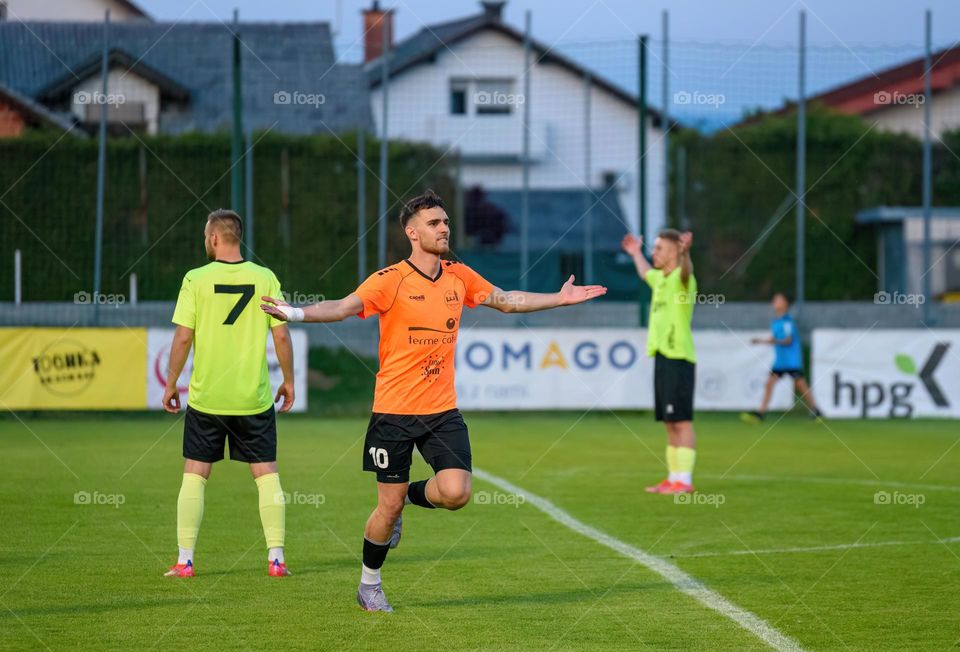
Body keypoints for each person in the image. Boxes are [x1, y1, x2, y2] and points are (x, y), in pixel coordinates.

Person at [261, 189, 606, 612]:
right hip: (393, 412)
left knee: (457, 493)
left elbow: (506, 301)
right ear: (412, 232)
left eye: (445, 222)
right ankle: (370, 584)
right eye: (434, 223)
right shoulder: (390, 280)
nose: (444, 229)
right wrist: (294, 313)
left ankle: (408, 496)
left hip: (442, 411)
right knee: (383, 511)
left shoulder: (459, 274)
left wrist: (559, 298)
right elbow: (343, 307)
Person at [162, 209, 296, 578]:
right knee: (267, 475)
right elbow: (281, 333)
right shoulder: (265, 277)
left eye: (206, 236)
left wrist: (172, 383)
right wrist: (289, 381)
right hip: (252, 398)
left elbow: (183, 336)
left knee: (195, 474)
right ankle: (276, 559)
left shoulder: (196, 279)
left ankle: (185, 561)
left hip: (208, 398)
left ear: (215, 238)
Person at [621, 229, 697, 495]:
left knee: (682, 421)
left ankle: (684, 482)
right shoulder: (661, 279)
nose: (654, 253)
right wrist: (635, 254)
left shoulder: (681, 279)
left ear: (676, 252)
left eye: (660, 248)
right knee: (669, 421)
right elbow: (645, 272)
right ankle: (673, 478)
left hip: (679, 357)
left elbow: (686, 271)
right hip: (663, 357)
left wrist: (686, 252)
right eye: (654, 248)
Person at [741, 292, 823, 423]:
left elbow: (788, 340)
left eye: (778, 300)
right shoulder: (776, 322)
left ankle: (816, 411)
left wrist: (772, 342)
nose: (775, 302)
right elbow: (775, 338)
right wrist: (761, 341)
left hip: (791, 361)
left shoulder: (787, 321)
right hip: (780, 362)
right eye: (774, 300)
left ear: (785, 304)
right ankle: (760, 414)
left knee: (800, 385)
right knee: (769, 384)